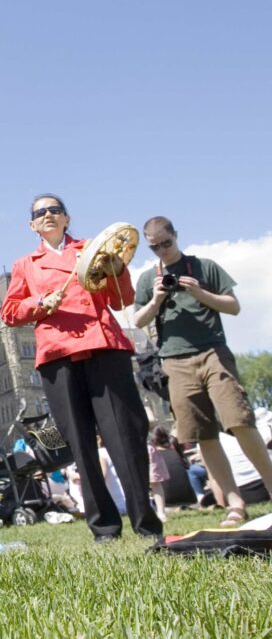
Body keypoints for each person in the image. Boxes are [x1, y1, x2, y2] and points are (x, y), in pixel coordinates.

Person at [1, 194, 162, 543]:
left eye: (54, 210)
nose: (47, 215)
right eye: (39, 213)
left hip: (104, 347)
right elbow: (10, 312)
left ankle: (146, 523)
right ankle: (104, 527)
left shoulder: (93, 249)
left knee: (126, 436)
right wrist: (39, 303)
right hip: (58, 356)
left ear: (66, 218)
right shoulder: (25, 264)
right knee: (79, 444)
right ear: (32, 225)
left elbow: (123, 298)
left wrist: (117, 268)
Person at [132, 216, 272, 527]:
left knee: (240, 421)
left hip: (213, 352)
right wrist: (156, 299)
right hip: (174, 361)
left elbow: (233, 306)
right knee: (201, 433)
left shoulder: (204, 266)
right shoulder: (147, 279)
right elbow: (138, 320)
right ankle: (235, 503)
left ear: (176, 236)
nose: (162, 251)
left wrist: (199, 293)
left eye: (166, 243)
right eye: (155, 247)